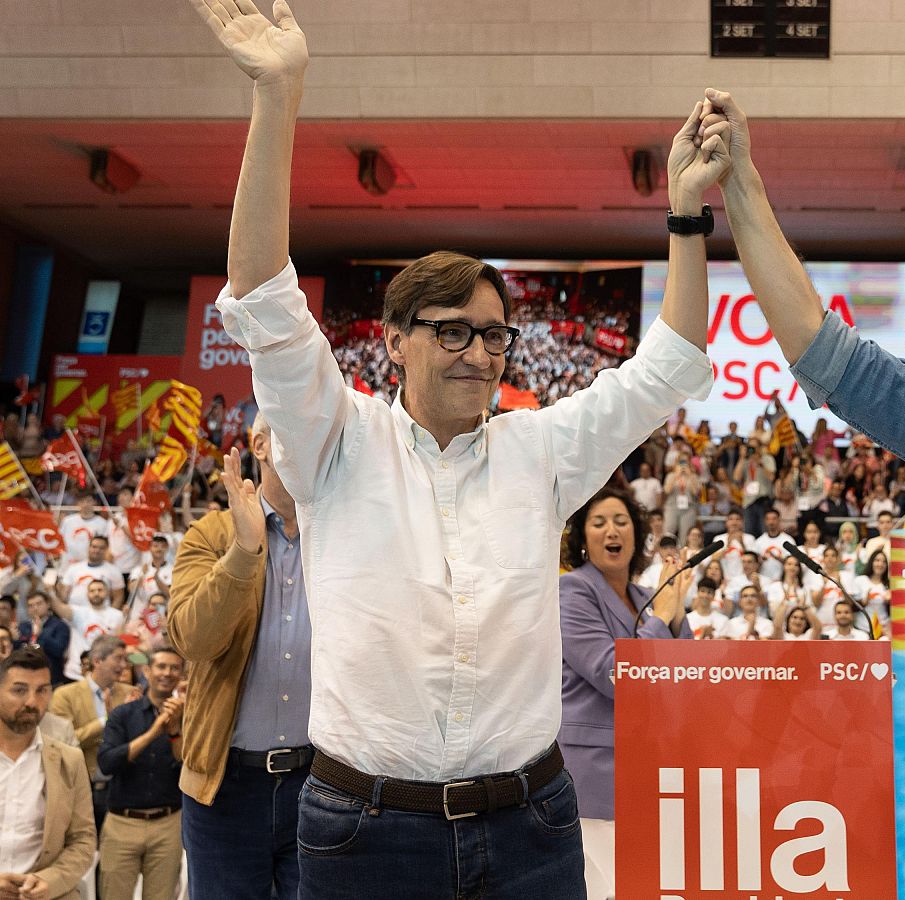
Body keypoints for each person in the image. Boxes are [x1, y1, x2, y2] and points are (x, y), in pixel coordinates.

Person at [189, 0, 725, 893]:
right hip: (365, 834)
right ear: (395, 340)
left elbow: (668, 366)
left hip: (532, 826)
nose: (481, 353)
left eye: (495, 336)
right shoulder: (333, 440)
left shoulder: (537, 452)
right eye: (454, 333)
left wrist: (682, 215)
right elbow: (263, 300)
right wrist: (277, 96)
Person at [166, 423, 313, 900]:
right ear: (259, 446)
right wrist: (244, 550)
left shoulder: (342, 537)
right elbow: (192, 640)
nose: (310, 443)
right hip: (223, 785)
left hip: (323, 783)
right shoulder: (211, 533)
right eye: (298, 427)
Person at [558, 488, 693, 900]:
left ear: (636, 537)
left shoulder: (642, 598)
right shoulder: (573, 592)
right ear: (583, 538)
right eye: (599, 523)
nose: (611, 530)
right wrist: (664, 616)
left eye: (621, 522)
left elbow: (682, 676)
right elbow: (617, 673)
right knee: (606, 890)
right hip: (594, 774)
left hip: (651, 766)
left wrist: (678, 610)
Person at [0, 647, 96, 899]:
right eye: (19, 690)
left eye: (42, 690)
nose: (32, 701)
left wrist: (49, 881)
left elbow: (83, 841)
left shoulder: (68, 760)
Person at [96, 645, 186, 900]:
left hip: (168, 824)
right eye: (161, 666)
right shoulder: (123, 714)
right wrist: (153, 733)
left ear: (181, 674)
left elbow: (187, 770)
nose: (167, 673)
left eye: (174, 668)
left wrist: (175, 732)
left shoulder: (189, 716)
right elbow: (107, 763)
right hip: (122, 822)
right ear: (146, 670)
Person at [45, 634, 137, 831]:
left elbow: (137, 740)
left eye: (125, 659)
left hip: (122, 788)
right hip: (81, 788)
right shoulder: (65, 695)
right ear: (97, 661)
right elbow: (65, 743)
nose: (124, 665)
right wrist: (107, 721)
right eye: (118, 658)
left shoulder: (131, 693)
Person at [50, 578, 124, 683]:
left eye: (100, 590)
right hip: (75, 673)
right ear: (87, 594)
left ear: (107, 592)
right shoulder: (77, 612)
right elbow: (58, 608)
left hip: (104, 673)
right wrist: (49, 592)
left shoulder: (118, 615)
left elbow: (119, 644)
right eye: (92, 591)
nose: (96, 593)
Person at [56, 536, 125, 612]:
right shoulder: (73, 568)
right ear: (88, 548)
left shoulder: (114, 571)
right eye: (94, 547)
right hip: (74, 614)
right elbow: (64, 596)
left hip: (100, 615)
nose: (97, 550)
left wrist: (110, 616)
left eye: (101, 548)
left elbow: (118, 598)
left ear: (106, 550)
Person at [19, 593, 68, 686]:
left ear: (48, 604)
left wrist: (41, 634)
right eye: (30, 605)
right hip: (26, 677)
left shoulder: (60, 625)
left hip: (51, 679)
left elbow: (58, 650)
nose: (35, 608)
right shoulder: (23, 626)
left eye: (39, 604)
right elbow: (18, 650)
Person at [57, 497, 109, 567]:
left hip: (90, 565)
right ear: (78, 503)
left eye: (88, 501)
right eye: (82, 501)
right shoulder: (67, 521)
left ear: (95, 502)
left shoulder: (102, 523)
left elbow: (105, 546)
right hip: (68, 564)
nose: (85, 504)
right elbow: (59, 540)